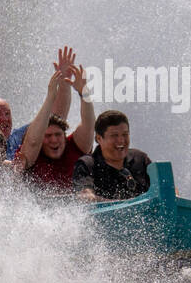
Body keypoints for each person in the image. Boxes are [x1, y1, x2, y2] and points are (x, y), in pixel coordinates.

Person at [15, 64, 95, 194]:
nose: (54, 140)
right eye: (48, 136)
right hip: (40, 210)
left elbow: (89, 125)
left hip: (77, 206)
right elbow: (33, 141)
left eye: (58, 134)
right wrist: (51, 96)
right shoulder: (32, 155)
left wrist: (83, 93)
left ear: (64, 136)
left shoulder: (74, 147)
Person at [73, 110, 152, 201]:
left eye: (125, 134)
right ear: (99, 138)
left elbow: (163, 188)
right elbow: (86, 197)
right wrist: (124, 207)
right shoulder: (87, 165)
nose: (121, 140)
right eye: (114, 135)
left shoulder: (140, 159)